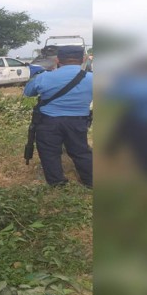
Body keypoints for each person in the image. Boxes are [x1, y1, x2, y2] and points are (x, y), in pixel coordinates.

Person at [23, 45, 93, 188]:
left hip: (48, 121)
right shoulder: (93, 78)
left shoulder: (44, 76)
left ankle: (56, 182)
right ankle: (91, 180)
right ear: (84, 59)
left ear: (57, 60)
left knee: (49, 151)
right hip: (78, 121)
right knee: (80, 150)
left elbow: (28, 92)